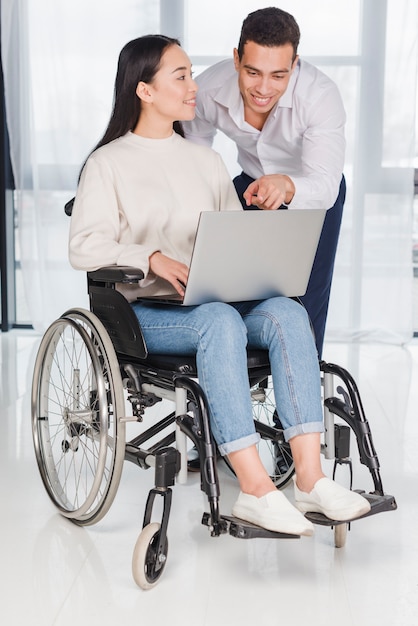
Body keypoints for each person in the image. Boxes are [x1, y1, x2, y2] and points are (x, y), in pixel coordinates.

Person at [69, 35, 370, 537]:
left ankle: (311, 480)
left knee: (288, 313)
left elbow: (235, 240)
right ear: (144, 90)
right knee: (219, 321)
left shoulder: (206, 163)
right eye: (181, 76)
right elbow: (83, 247)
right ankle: (254, 490)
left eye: (191, 73)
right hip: (146, 314)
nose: (196, 87)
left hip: (210, 304)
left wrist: (264, 261)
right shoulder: (108, 164)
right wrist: (150, 256)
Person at [183, 7, 346, 359]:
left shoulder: (320, 96)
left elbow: (325, 183)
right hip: (250, 185)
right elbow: (194, 156)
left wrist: (287, 186)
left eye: (278, 75)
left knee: (306, 296)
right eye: (253, 72)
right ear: (236, 58)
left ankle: (298, 392)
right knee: (231, 288)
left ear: (295, 64)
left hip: (312, 192)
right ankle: (239, 379)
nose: (263, 88)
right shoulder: (210, 89)